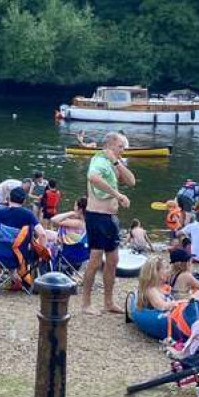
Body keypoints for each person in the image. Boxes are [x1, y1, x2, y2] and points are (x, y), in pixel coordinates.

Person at [82, 132, 135, 315]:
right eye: (121, 146)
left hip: (111, 217)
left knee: (113, 260)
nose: (123, 150)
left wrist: (117, 162)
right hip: (97, 216)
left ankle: (108, 302)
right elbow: (93, 178)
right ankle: (86, 303)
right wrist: (117, 195)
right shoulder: (99, 160)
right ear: (111, 145)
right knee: (95, 260)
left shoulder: (114, 162)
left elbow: (131, 181)